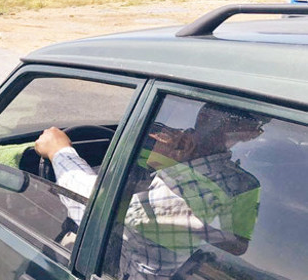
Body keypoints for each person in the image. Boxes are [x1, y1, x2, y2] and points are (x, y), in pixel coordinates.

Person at [34, 104, 265, 280]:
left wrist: (59, 151)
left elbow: (95, 210)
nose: (172, 134)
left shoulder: (184, 191)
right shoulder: (246, 183)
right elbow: (239, 245)